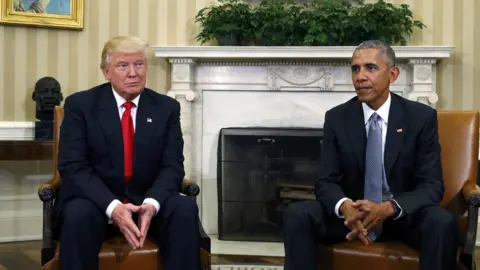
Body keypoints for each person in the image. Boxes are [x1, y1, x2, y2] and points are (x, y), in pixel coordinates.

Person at [283, 40, 458, 270]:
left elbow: (432, 186)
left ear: (393, 74)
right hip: (351, 218)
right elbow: (326, 181)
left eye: (370, 68)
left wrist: (387, 208)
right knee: (297, 214)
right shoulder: (337, 118)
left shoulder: (420, 118)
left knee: (441, 222)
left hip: (399, 217)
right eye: (355, 69)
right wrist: (344, 206)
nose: (360, 76)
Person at [54, 36, 201, 270]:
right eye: (123, 66)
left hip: (146, 203)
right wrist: (114, 207)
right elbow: (73, 168)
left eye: (139, 64)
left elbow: (172, 166)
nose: (133, 73)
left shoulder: (166, 108)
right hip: (96, 204)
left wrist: (152, 204)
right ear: (106, 72)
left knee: (184, 209)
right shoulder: (81, 106)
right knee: (77, 214)